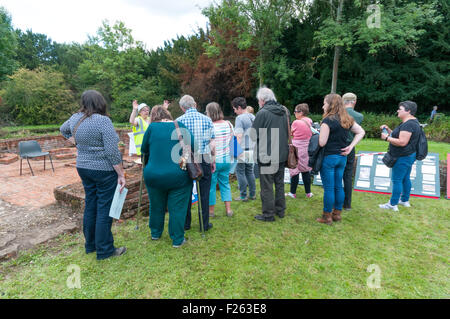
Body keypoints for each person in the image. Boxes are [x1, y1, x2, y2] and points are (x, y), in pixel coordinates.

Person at [60, 90, 126, 259]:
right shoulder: (103, 121)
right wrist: (121, 174)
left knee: (91, 205)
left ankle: (90, 245)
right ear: (100, 102)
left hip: (83, 167)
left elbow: (63, 129)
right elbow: (112, 151)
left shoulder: (75, 118)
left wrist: (74, 141)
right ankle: (105, 250)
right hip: (103, 170)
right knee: (104, 209)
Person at [141, 106, 193, 247]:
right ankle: (177, 239)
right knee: (177, 208)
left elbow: (143, 150)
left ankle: (155, 233)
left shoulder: (152, 128)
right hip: (178, 175)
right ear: (168, 115)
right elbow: (192, 145)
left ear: (153, 116)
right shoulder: (180, 126)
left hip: (153, 174)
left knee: (156, 205)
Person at [316, 94, 365, 225]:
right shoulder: (347, 119)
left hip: (329, 158)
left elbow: (322, 142)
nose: (323, 106)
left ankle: (327, 217)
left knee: (329, 188)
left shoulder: (327, 121)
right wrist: (350, 147)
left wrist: (317, 133)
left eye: (325, 103)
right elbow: (361, 132)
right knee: (338, 186)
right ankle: (337, 214)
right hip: (342, 157)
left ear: (331, 104)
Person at [176, 95, 216, 231]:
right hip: (204, 156)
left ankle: (186, 224)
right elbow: (212, 142)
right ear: (195, 104)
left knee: (185, 191)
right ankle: (204, 224)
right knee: (204, 192)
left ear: (182, 107)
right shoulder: (207, 119)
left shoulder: (177, 121)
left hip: (187, 158)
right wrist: (213, 158)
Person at [250, 87, 290, 222]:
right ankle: (280, 210)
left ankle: (268, 214)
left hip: (267, 154)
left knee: (266, 186)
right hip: (282, 153)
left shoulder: (262, 113)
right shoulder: (285, 111)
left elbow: (253, 135)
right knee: (279, 183)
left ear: (262, 100)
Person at [379, 101, 422, 212]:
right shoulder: (413, 122)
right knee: (405, 178)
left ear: (408, 111)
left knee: (397, 180)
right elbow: (401, 135)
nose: (398, 110)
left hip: (402, 156)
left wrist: (387, 138)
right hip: (409, 155)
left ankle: (393, 204)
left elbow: (402, 141)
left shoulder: (408, 124)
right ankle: (404, 200)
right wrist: (389, 130)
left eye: (400, 109)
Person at [206, 102, 234, 217]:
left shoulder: (210, 126)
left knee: (211, 186)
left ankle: (211, 211)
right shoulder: (228, 124)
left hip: (214, 160)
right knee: (225, 184)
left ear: (210, 113)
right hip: (226, 159)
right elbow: (232, 139)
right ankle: (228, 210)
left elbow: (209, 144)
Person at [285, 103, 314, 199]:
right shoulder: (309, 121)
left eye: (296, 111)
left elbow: (290, 133)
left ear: (301, 112)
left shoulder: (296, 122)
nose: (294, 113)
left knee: (294, 169)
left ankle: (292, 193)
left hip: (297, 148)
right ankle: (308, 193)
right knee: (305, 170)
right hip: (307, 147)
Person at [342, 93, 364, 210]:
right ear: (354, 101)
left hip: (338, 145)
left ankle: (336, 200)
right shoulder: (359, 116)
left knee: (336, 174)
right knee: (348, 174)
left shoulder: (338, 113)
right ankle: (347, 204)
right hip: (351, 145)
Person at [232, 97, 256, 202]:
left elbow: (239, 136)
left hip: (243, 149)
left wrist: (236, 150)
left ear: (239, 107)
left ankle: (243, 196)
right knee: (250, 172)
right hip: (253, 148)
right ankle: (252, 194)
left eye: (234, 109)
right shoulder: (253, 116)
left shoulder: (240, 118)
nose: (234, 111)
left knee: (240, 172)